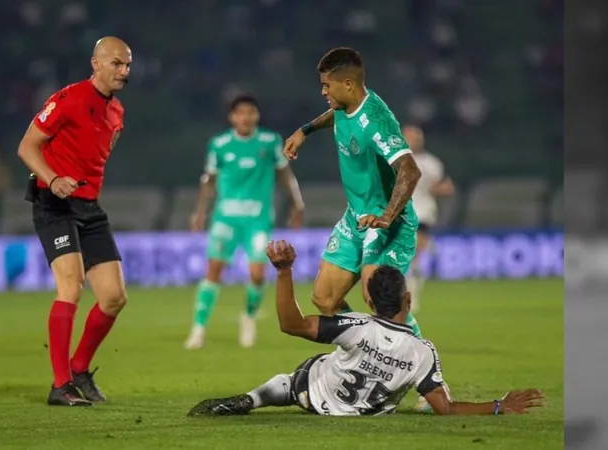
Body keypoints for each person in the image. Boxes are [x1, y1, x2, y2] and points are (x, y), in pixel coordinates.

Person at [188, 240, 544, 417]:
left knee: (298, 375)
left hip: (312, 397)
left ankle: (254, 398)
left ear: (370, 303)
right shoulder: (423, 352)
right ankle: (264, 396)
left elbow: (290, 325)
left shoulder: (355, 326)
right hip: (361, 413)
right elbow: (446, 409)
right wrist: (498, 405)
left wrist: (283, 272)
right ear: (408, 300)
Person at [16, 37, 132, 407]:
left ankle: (79, 369)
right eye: (116, 63)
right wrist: (52, 179)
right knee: (71, 285)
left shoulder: (117, 112)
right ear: (95, 63)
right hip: (54, 202)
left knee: (114, 297)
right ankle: (60, 384)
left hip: (88, 207)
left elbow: (97, 155)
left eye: (127, 65)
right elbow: (27, 146)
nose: (123, 72)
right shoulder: (68, 99)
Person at [282, 47, 423, 336]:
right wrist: (305, 130)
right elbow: (337, 116)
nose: (323, 92)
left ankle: (422, 362)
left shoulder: (376, 121)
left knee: (378, 299)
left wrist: (386, 217)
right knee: (325, 299)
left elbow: (410, 170)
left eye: (326, 85)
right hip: (356, 218)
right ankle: (368, 347)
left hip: (388, 223)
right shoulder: (344, 106)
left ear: (347, 84)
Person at [185, 93, 305, 349]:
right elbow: (209, 179)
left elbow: (285, 174)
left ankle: (248, 317)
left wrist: (297, 202)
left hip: (258, 219)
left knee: (258, 273)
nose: (246, 117)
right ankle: (198, 328)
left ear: (257, 116)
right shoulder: (219, 144)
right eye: (241, 113)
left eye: (251, 112)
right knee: (213, 270)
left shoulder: (269, 141)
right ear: (232, 117)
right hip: (225, 218)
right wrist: (200, 211)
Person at [403, 124, 455, 313]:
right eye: (410, 136)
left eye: (417, 137)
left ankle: (412, 293)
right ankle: (408, 290)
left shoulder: (431, 163)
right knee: (404, 257)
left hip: (423, 211)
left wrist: (442, 189)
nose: (414, 140)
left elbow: (441, 186)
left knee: (413, 255)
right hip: (399, 212)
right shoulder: (394, 160)